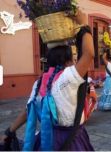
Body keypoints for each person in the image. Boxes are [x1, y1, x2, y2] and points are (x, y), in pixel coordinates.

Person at [1, 11, 95, 151]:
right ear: (69, 59)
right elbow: (89, 54)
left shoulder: (39, 83)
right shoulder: (67, 78)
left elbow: (28, 111)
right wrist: (84, 24)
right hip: (72, 142)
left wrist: (9, 131)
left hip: (47, 139)